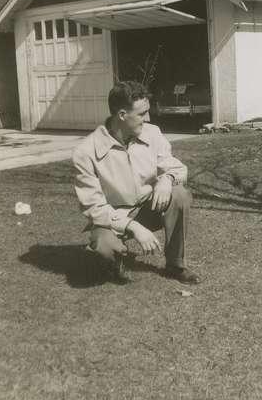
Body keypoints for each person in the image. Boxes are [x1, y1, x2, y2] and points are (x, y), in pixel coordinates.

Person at [73, 80, 199, 285]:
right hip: (113, 218)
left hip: (148, 208)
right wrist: (134, 228)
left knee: (179, 194)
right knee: (104, 249)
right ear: (122, 115)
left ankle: (176, 265)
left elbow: (178, 168)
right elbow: (93, 208)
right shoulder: (85, 152)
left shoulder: (153, 133)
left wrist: (166, 180)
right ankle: (114, 259)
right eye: (141, 114)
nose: (147, 118)